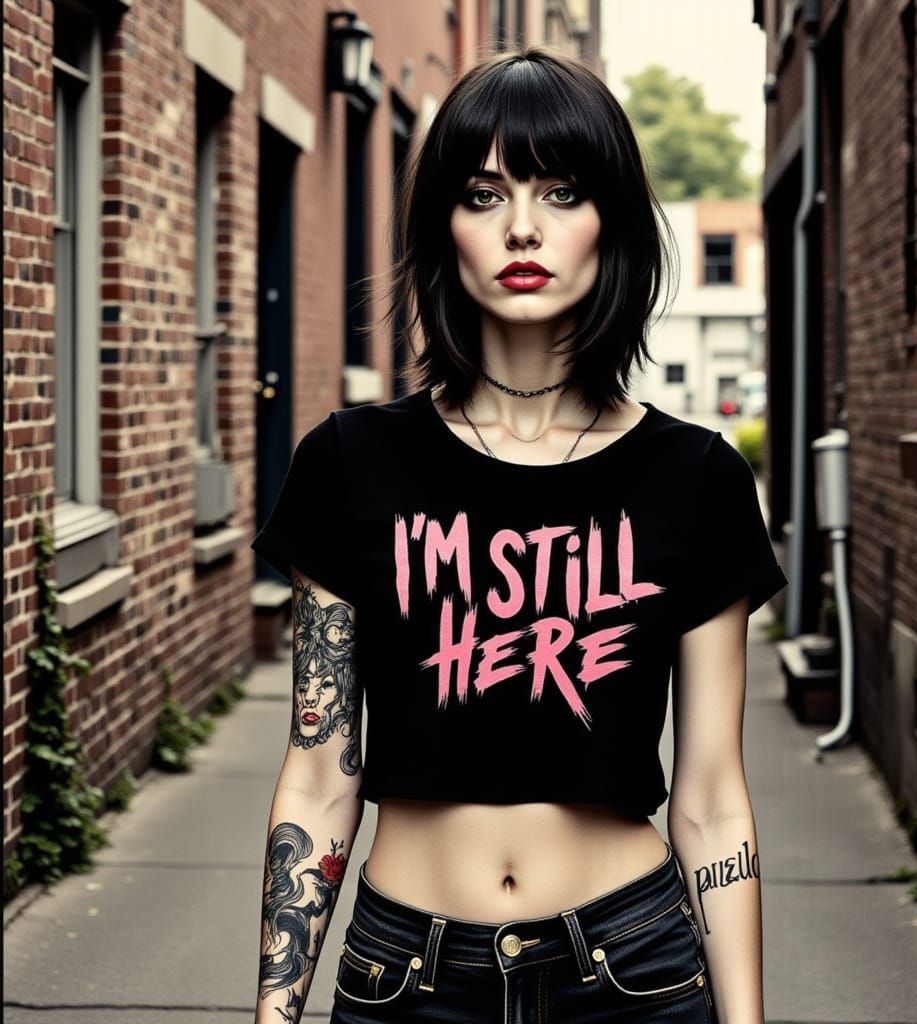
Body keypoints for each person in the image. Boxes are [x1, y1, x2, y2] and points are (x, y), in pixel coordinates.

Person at [250, 44, 787, 1024]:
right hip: (403, 975)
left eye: (562, 190)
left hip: (632, 970)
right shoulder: (348, 461)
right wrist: (274, 1013)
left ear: (610, 223)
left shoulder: (697, 477)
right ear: (443, 226)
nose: (525, 227)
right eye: (486, 194)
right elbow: (322, 766)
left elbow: (711, 798)